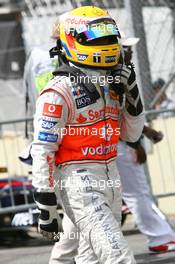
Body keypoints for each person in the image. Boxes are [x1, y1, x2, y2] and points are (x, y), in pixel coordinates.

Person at [31, 6, 144, 263]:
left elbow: (131, 134)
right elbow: (43, 149)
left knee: (90, 259)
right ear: (74, 40)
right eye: (96, 38)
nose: (106, 44)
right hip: (78, 182)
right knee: (119, 256)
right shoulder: (58, 91)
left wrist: (133, 93)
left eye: (109, 37)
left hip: (110, 175)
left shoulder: (113, 83)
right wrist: (46, 204)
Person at [117, 35, 175, 253]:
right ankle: (158, 237)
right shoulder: (118, 77)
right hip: (122, 145)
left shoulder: (114, 75)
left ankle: (162, 235)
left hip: (115, 144)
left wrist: (148, 133)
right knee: (137, 194)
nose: (130, 53)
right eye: (126, 49)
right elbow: (121, 116)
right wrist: (135, 145)